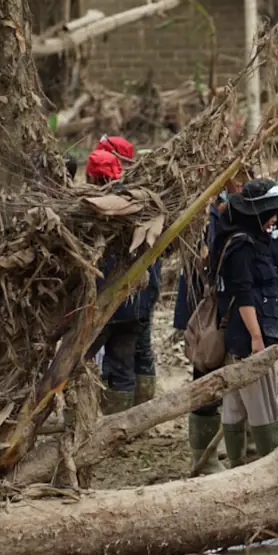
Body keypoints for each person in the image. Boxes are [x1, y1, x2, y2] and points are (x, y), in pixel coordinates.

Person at [211, 179, 278, 467]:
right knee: (262, 404)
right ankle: (270, 466)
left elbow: (260, 290)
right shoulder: (241, 246)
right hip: (249, 336)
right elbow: (243, 295)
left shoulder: (248, 241)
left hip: (248, 331)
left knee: (236, 402)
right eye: (270, 214)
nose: (275, 220)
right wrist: (256, 337)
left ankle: (238, 465)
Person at [83, 140, 159, 414]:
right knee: (124, 364)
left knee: (79, 363)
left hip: (102, 302)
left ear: (91, 175)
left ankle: (80, 422)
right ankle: (127, 423)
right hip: (135, 301)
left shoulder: (87, 210)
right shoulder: (141, 202)